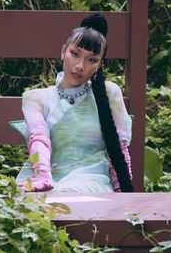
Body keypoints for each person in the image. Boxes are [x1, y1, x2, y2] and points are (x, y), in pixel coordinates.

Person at [10, 14, 133, 192]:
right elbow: (38, 138)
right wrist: (43, 176)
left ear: (99, 65)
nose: (80, 66)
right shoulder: (35, 98)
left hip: (92, 182)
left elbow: (119, 148)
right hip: (44, 179)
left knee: (70, 192)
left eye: (91, 59)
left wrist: (124, 194)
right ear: (63, 52)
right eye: (75, 54)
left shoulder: (108, 93)